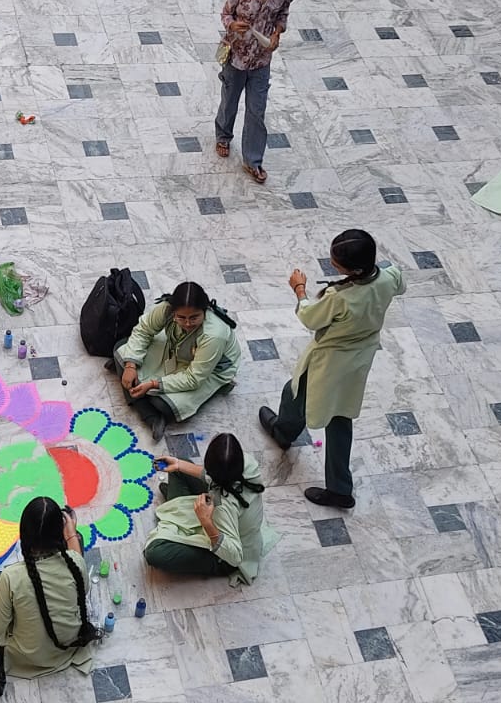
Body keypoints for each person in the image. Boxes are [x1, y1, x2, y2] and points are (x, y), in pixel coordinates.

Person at [258, 229, 404, 509]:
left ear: (353, 269)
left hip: (330, 361)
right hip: (360, 357)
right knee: (340, 415)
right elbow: (398, 281)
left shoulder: (339, 297)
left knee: (297, 392)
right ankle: (338, 486)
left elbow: (310, 318)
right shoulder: (388, 276)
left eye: (336, 263)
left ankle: (285, 433)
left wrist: (299, 289)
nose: (332, 264)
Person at [0, 497, 97, 678]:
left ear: (23, 534)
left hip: (26, 656)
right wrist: (71, 534)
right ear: (59, 533)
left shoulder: (12, 576)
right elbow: (82, 588)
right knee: (77, 539)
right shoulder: (76, 561)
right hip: (67, 647)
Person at [110, 282, 242, 440]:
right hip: (177, 350)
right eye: (181, 317)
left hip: (208, 370)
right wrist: (131, 366)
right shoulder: (166, 309)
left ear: (205, 311)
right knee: (121, 348)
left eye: (194, 317)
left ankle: (149, 414)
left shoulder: (214, 335)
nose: (187, 324)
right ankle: (145, 403)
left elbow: (193, 378)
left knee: (163, 404)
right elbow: (143, 330)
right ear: (173, 311)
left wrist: (153, 384)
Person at [143, 434, 267, 586]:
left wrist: (206, 521)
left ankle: (174, 507)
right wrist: (178, 464)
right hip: (222, 505)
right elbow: (213, 475)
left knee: (154, 553)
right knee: (179, 465)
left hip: (225, 557)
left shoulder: (223, 507)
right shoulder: (247, 462)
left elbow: (235, 557)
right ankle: (175, 499)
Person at [215, 0, 298, 184]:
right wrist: (232, 25)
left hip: (261, 60)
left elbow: (282, 14)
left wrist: (276, 34)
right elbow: (226, 14)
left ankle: (252, 160)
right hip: (236, 57)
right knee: (230, 100)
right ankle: (223, 136)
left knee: (256, 109)